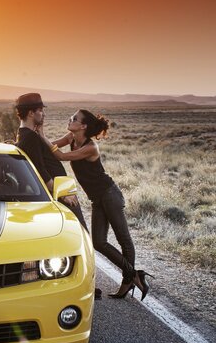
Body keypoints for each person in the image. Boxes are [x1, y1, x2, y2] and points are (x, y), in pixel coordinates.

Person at [40, 109, 153, 300]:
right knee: (98, 242)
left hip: (109, 195)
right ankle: (134, 275)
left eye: (74, 119)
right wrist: (36, 139)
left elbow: (60, 156)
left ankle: (128, 280)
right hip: (97, 199)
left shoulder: (90, 147)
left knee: (123, 238)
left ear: (83, 126)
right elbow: (52, 147)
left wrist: (40, 133)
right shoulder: (72, 137)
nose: (70, 119)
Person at [14, 93, 88, 230]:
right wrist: (62, 194)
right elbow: (39, 170)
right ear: (31, 113)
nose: (43, 114)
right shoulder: (30, 137)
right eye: (40, 110)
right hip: (58, 193)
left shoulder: (24, 135)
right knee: (82, 233)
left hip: (56, 192)